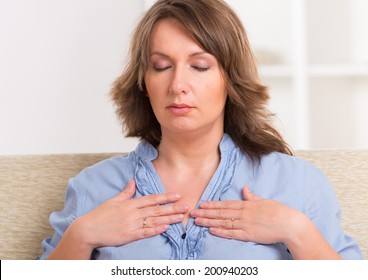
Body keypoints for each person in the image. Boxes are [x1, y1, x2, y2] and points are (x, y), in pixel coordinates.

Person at [40, 0, 362, 260]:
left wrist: (297, 231)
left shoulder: (298, 183)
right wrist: (81, 237)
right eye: (162, 66)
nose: (178, 85)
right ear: (143, 82)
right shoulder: (92, 187)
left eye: (200, 66)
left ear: (230, 79)